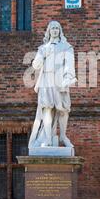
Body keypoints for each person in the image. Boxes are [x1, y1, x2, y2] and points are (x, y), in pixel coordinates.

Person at [28, 20, 77, 149]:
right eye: (52, 28)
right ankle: (48, 138)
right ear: (49, 31)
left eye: (57, 28)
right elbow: (36, 65)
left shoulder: (66, 47)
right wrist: (39, 58)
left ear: (60, 31)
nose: (55, 30)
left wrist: (68, 77)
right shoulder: (43, 48)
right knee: (47, 108)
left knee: (64, 109)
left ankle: (63, 136)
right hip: (47, 80)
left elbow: (69, 65)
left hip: (60, 79)